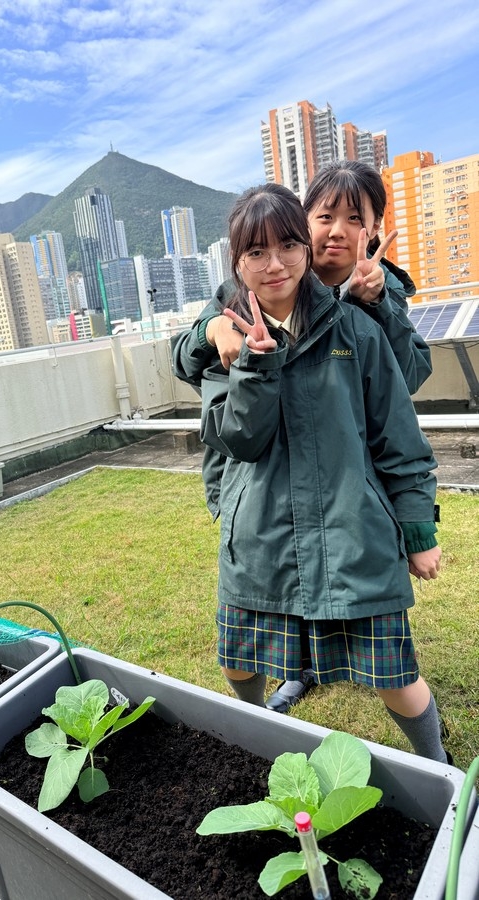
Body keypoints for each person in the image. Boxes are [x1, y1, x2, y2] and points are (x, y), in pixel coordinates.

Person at [195, 182, 449, 765]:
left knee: (394, 673)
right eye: (256, 251)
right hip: (260, 532)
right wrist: (255, 366)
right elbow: (236, 439)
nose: (275, 263)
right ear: (237, 260)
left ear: (305, 248)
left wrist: (418, 531)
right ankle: (256, 734)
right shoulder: (227, 338)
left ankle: (440, 768)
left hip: (353, 529)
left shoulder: (357, 328)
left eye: (288, 245)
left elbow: (399, 438)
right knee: (240, 659)